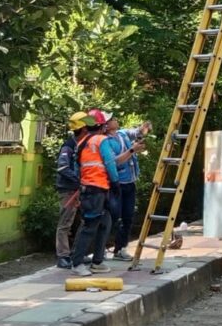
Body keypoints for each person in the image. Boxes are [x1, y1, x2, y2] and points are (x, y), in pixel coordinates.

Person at [70, 110, 121, 276]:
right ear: (101, 125)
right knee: (90, 226)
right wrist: (115, 182)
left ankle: (97, 261)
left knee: (105, 222)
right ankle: (77, 263)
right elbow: (109, 163)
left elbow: (79, 169)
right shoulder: (101, 140)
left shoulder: (82, 143)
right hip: (97, 190)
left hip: (90, 189)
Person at [106, 115, 152, 260]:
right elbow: (115, 162)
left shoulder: (122, 134)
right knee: (114, 218)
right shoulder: (105, 141)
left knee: (128, 217)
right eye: (111, 119)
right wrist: (132, 150)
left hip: (130, 183)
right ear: (106, 125)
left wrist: (144, 129)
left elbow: (137, 132)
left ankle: (120, 249)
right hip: (116, 184)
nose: (115, 119)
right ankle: (101, 248)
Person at [53, 111, 89, 268]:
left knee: (83, 221)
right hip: (69, 190)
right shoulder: (69, 146)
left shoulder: (81, 144)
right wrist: (78, 180)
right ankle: (63, 256)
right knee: (65, 223)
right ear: (83, 128)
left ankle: (76, 252)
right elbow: (63, 167)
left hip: (79, 189)